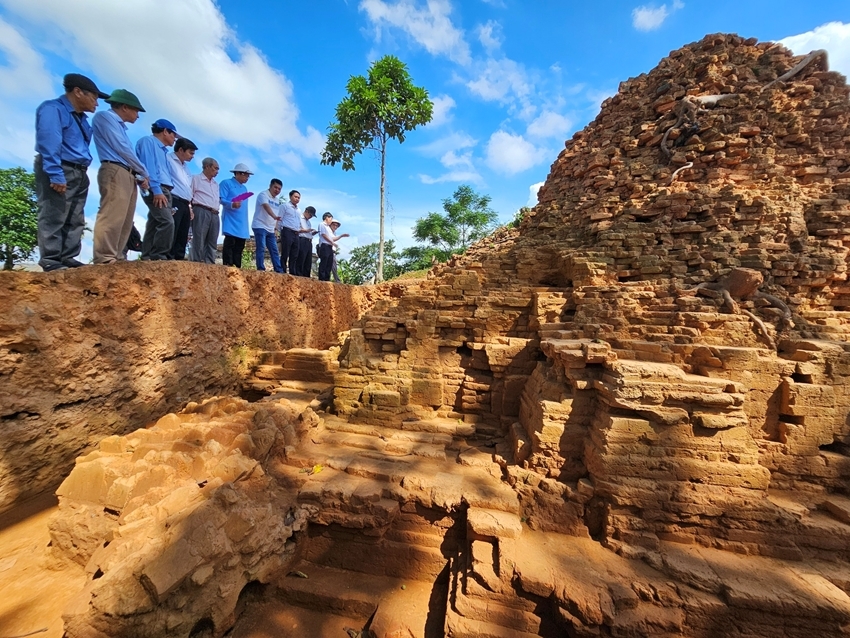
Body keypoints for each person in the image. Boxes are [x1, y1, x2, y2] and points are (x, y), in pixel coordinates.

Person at [34, 73, 108, 271]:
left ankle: (67, 256)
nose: (96, 104)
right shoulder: (53, 109)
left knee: (75, 217)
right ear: (77, 92)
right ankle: (50, 259)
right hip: (61, 167)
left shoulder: (82, 119)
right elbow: (49, 142)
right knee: (54, 212)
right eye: (94, 98)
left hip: (79, 170)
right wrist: (55, 173)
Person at [91, 89, 149, 265]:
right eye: (136, 110)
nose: (138, 115)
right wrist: (143, 170)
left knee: (125, 218)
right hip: (115, 169)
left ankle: (117, 255)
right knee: (112, 214)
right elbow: (122, 148)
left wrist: (139, 173)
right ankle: (104, 256)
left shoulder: (120, 126)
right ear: (124, 107)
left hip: (129, 172)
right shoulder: (105, 118)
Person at [136, 118, 180, 260]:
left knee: (155, 222)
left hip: (164, 189)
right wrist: (156, 190)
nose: (174, 139)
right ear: (165, 131)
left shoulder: (163, 151)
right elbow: (149, 168)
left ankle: (147, 254)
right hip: (157, 187)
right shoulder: (148, 142)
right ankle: (159, 255)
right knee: (167, 222)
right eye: (173, 134)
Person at [167, 137, 198, 260]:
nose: (192, 156)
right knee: (172, 229)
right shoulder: (168, 160)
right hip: (174, 198)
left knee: (183, 232)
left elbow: (187, 187)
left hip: (186, 202)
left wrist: (190, 207)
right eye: (190, 152)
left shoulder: (186, 168)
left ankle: (179, 259)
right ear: (181, 150)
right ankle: (168, 257)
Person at [219, 163, 252, 267]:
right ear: (238, 173)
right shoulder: (226, 183)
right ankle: (228, 264)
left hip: (241, 221)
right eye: (245, 175)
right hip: (231, 218)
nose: (247, 177)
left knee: (239, 246)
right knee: (230, 243)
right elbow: (221, 199)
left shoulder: (244, 189)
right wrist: (231, 204)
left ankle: (237, 266)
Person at [189, 158, 220, 264]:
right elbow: (190, 196)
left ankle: (210, 264)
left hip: (215, 213)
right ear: (207, 166)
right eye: (215, 168)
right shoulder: (196, 179)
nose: (217, 171)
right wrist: (191, 210)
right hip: (201, 209)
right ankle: (196, 263)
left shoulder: (216, 184)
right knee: (199, 239)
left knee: (212, 241)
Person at [252, 179, 284, 272]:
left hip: (270, 228)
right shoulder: (263, 195)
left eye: (279, 189)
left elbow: (277, 214)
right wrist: (274, 216)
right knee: (261, 247)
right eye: (275, 187)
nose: (277, 190)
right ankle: (260, 268)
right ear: (270, 186)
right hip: (260, 225)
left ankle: (278, 269)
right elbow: (266, 206)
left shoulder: (277, 200)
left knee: (274, 250)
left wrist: (275, 228)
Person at [278, 189, 302, 274]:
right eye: (295, 197)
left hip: (296, 233)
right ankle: (282, 270)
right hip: (287, 231)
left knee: (294, 254)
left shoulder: (299, 210)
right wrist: (278, 231)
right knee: (285, 252)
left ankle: (292, 271)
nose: (297, 199)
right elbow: (279, 219)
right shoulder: (284, 206)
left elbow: (298, 222)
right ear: (290, 196)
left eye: (299, 198)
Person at [318, 212, 342, 282]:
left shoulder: (329, 229)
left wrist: (341, 236)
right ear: (327, 218)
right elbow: (323, 235)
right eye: (331, 219)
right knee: (324, 262)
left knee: (329, 263)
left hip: (330, 247)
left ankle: (326, 278)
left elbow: (332, 238)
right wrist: (332, 242)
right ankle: (322, 278)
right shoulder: (322, 225)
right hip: (325, 245)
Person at [296, 206, 318, 277]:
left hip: (309, 240)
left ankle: (306, 275)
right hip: (302, 239)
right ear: (307, 211)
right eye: (310, 215)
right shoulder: (299, 218)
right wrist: (306, 230)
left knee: (308, 260)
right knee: (301, 257)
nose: (310, 217)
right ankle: (299, 274)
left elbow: (308, 232)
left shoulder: (308, 222)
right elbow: (296, 229)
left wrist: (312, 233)